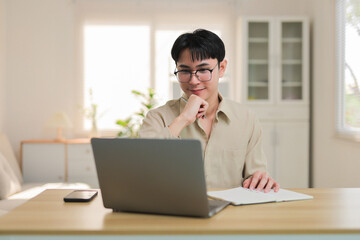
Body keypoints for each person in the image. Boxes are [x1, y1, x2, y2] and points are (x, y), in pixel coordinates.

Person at [139, 29, 279, 193]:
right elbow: (143, 169)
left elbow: (256, 176)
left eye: (203, 70)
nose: (193, 80)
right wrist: (183, 118)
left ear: (221, 68)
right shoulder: (157, 118)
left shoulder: (246, 118)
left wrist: (261, 180)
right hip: (175, 214)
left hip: (231, 214)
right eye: (184, 71)